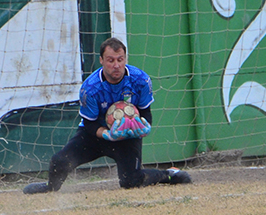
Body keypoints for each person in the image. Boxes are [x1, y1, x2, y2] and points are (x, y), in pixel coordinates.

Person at [23, 37, 191, 195]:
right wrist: (107, 134)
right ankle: (50, 187)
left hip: (126, 137)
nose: (116, 65)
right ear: (101, 60)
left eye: (120, 59)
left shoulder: (141, 80)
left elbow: (145, 111)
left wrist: (144, 126)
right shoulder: (90, 88)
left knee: (131, 181)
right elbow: (89, 124)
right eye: (110, 60)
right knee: (59, 161)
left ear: (125, 59)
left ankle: (169, 175)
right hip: (95, 136)